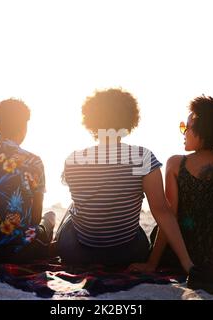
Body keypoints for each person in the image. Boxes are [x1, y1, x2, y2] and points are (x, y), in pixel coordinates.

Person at [56, 88, 194, 274]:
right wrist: (188, 264)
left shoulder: (74, 159)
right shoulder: (143, 158)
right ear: (129, 120)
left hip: (76, 252)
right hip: (128, 253)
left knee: (72, 208)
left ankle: (52, 243)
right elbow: (162, 212)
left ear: (90, 121)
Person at [129, 95, 213, 292]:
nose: (183, 133)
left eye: (186, 127)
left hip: (178, 253)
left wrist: (152, 263)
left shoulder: (177, 164)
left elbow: (171, 217)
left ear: (202, 131)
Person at [0, 98, 55, 265]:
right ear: (24, 126)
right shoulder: (33, 161)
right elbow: (35, 216)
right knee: (50, 217)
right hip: (20, 252)